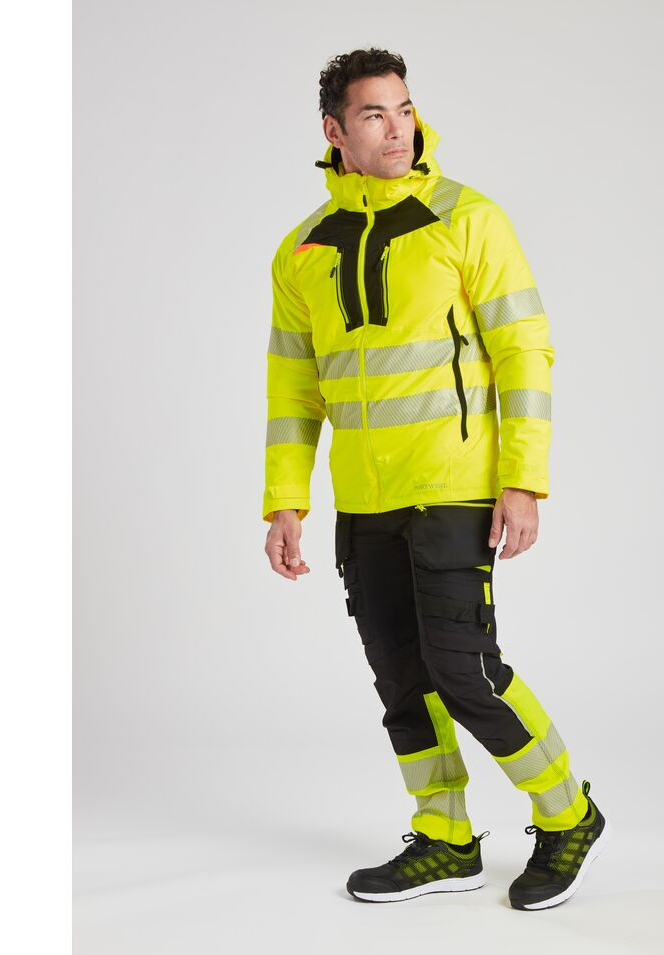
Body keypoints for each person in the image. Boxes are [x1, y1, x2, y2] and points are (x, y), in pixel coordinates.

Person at [261, 47, 609, 910]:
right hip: (363, 501)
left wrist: (523, 479)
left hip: (456, 488)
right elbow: (294, 387)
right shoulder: (302, 250)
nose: (397, 129)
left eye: (405, 108)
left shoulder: (468, 218)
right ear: (334, 131)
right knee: (402, 680)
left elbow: (525, 351)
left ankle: (567, 814)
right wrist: (287, 500)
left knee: (466, 671)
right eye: (374, 114)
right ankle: (445, 836)